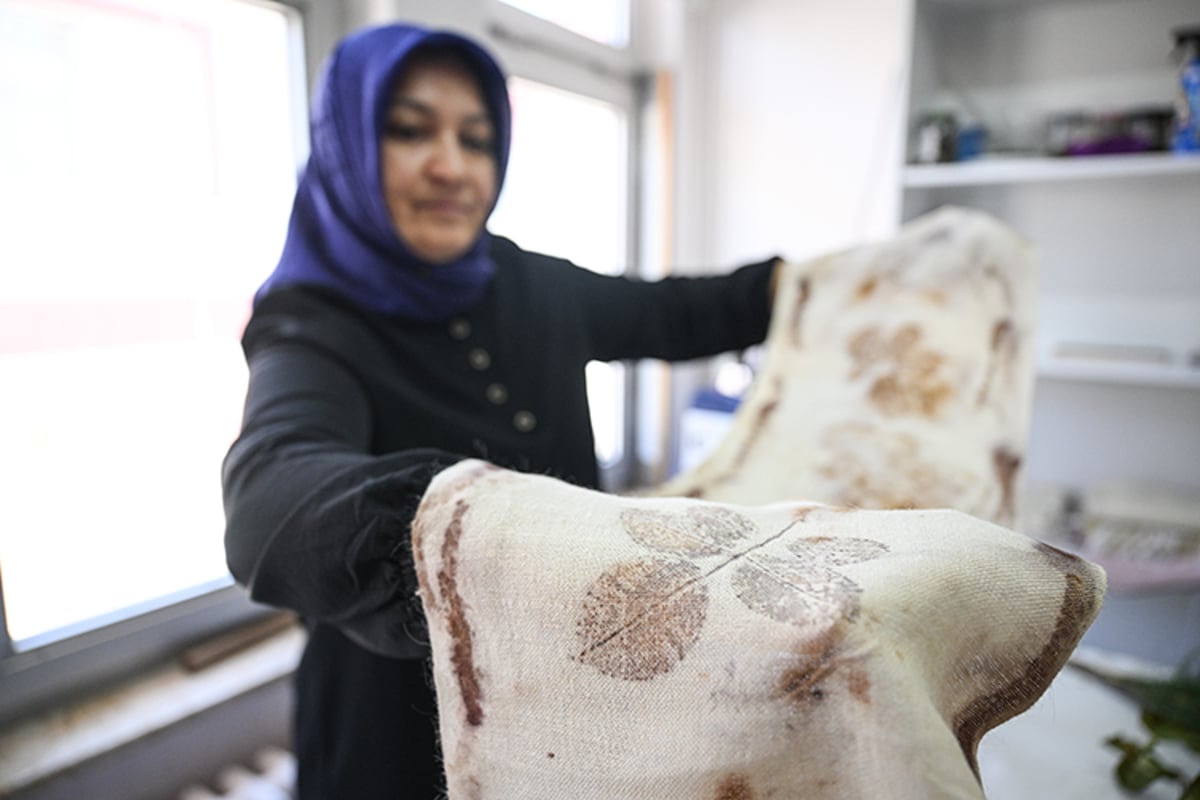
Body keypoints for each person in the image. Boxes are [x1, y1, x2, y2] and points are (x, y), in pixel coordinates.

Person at [222, 21, 779, 800]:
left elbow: (677, 312)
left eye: (477, 139)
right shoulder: (312, 322)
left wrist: (822, 285)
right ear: (347, 146)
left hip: (562, 707)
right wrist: (475, 523)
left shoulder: (527, 282)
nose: (452, 166)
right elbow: (271, 500)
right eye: (410, 130)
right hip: (392, 739)